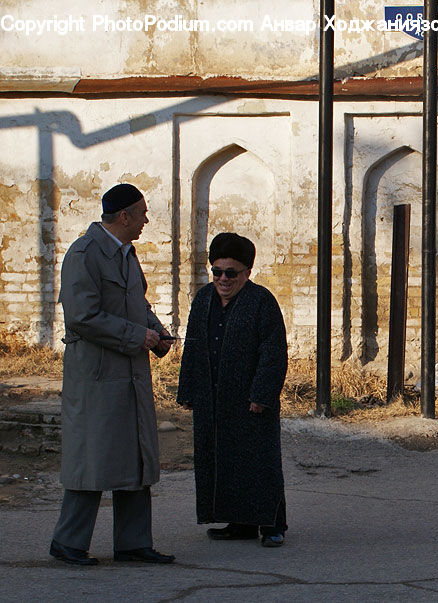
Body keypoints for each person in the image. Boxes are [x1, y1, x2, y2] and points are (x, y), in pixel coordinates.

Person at [50, 183, 175, 566]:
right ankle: (68, 542)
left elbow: (136, 303)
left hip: (131, 374)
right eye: (142, 213)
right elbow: (83, 317)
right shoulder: (84, 254)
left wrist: (156, 333)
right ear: (124, 217)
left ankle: (133, 543)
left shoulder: (125, 254)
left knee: (136, 457)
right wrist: (139, 335)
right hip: (97, 378)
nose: (146, 221)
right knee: (92, 458)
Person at [177, 233, 289, 547]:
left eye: (231, 273)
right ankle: (239, 523)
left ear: (247, 273)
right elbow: (194, 345)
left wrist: (262, 394)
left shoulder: (261, 301)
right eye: (217, 272)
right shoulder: (203, 300)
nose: (223, 279)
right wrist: (187, 390)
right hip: (212, 397)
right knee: (221, 460)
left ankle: (271, 525)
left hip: (251, 399)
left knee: (259, 462)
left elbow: (273, 352)